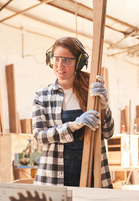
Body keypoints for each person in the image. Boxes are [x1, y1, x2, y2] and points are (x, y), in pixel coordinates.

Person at [32, 37, 114, 188]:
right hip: (54, 175)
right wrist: (73, 125)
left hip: (92, 171)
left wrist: (104, 106)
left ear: (79, 63)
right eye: (56, 59)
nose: (60, 65)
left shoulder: (91, 93)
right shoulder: (42, 96)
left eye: (67, 60)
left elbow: (108, 133)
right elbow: (40, 137)